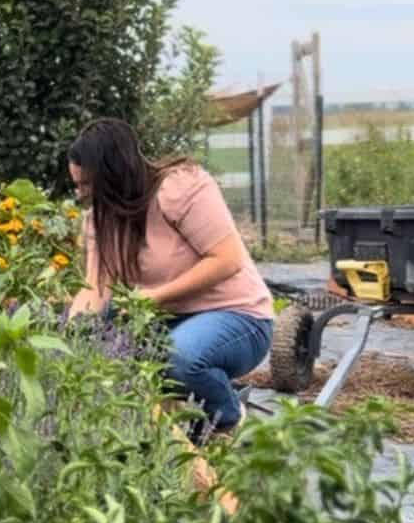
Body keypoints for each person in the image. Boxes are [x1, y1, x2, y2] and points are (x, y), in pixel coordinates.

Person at [66, 118, 273, 439]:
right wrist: (70, 337)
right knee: (98, 347)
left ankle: (227, 416)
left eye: (87, 185)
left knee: (179, 357)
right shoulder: (99, 220)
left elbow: (227, 259)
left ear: (113, 176)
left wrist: (154, 297)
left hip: (238, 317)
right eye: (76, 185)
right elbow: (94, 288)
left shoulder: (180, 189)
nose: (80, 195)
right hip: (164, 321)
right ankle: (174, 416)